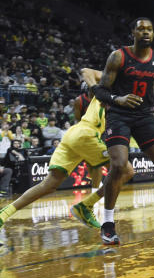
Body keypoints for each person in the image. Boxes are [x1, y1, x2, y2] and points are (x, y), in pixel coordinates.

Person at [0, 69, 134, 232]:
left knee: (48, 185)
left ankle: (3, 214)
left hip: (74, 135)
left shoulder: (121, 101)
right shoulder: (108, 91)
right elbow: (87, 71)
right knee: (126, 171)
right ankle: (86, 205)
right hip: (87, 135)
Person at [91, 18, 154, 244]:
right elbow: (100, 91)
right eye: (141, 29)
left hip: (143, 116)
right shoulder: (118, 56)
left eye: (150, 29)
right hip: (119, 114)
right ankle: (108, 223)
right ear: (133, 32)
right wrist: (118, 99)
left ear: (153, 33)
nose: (146, 32)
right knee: (119, 165)